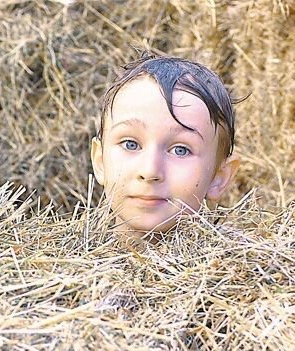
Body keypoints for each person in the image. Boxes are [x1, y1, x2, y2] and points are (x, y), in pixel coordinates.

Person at [90, 53, 241, 238]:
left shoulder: (238, 265)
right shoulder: (61, 263)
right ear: (99, 162)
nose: (150, 171)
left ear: (219, 177)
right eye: (130, 144)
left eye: (180, 150)